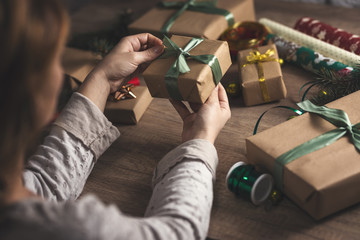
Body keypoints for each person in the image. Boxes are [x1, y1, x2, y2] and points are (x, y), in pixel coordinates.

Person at [0, 0, 231, 239]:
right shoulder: (74, 229)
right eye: (53, 61)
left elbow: (41, 184)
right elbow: (177, 234)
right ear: (26, 94)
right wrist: (201, 142)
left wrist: (103, 78)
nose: (60, 74)